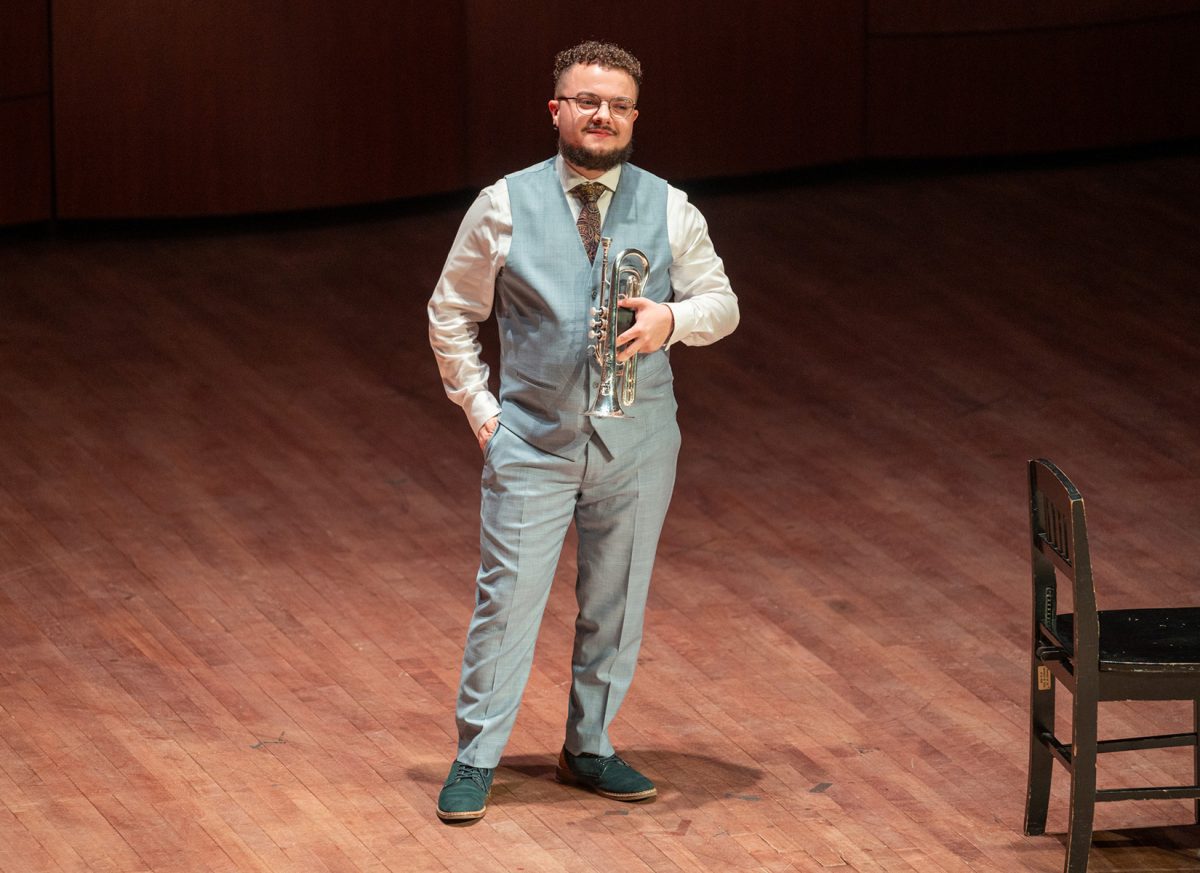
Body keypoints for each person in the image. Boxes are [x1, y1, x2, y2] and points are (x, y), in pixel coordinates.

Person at [427, 40, 739, 823]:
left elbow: (722, 304)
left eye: (619, 105)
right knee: (508, 602)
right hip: (531, 441)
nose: (603, 116)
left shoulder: (668, 205)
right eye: (588, 101)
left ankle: (589, 744)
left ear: (635, 116)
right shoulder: (503, 204)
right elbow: (451, 314)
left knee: (618, 599)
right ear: (557, 109)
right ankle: (476, 756)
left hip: (636, 445)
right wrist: (485, 415)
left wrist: (673, 319)